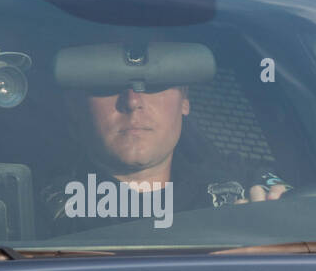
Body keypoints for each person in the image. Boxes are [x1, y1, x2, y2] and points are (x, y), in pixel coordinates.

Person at [39, 81, 291, 236]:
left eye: (153, 83)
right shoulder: (34, 207)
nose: (132, 101)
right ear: (74, 104)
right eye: (107, 84)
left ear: (185, 99)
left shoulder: (244, 182)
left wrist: (278, 224)